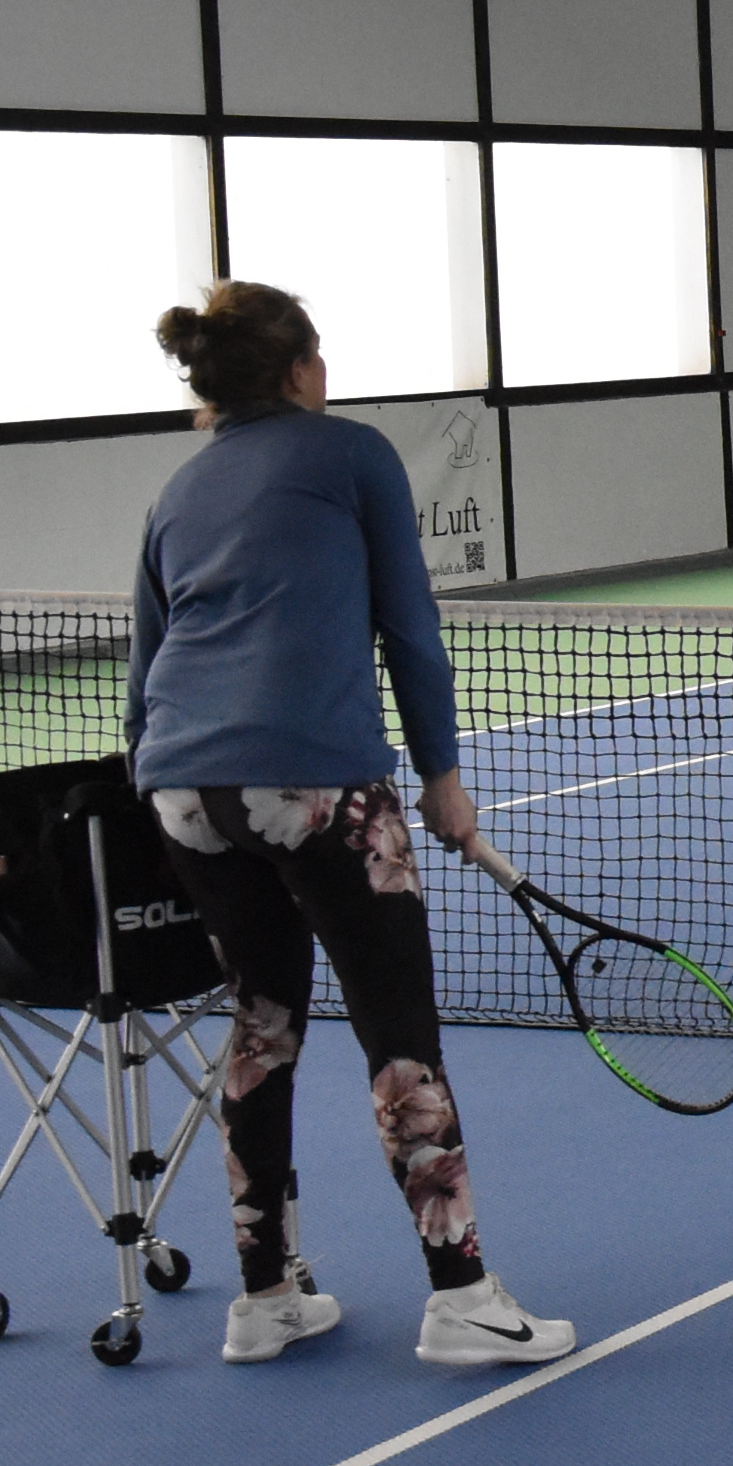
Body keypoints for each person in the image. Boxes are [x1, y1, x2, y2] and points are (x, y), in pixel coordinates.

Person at [126, 280, 576, 1372]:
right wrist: (441, 778)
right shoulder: (353, 453)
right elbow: (410, 628)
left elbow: (143, 677)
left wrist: (174, 790)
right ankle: (461, 1297)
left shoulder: (177, 491)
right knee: (399, 1036)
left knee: (259, 1027)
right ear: (299, 372)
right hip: (314, 785)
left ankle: (264, 1299)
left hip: (182, 791)